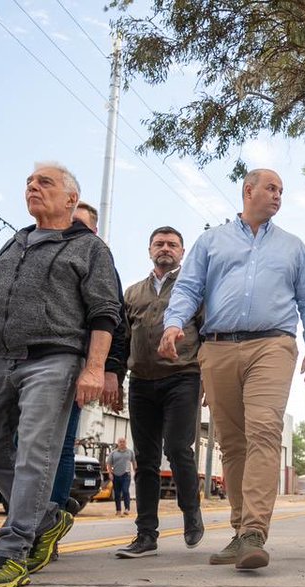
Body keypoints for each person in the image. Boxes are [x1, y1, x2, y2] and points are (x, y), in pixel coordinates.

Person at [159, 168, 305, 571]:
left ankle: (254, 532)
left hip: (273, 344)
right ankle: (239, 532)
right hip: (218, 349)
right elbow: (188, 287)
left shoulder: (292, 247)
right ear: (248, 191)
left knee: (265, 432)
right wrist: (173, 322)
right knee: (233, 445)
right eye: (271, 188)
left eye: (282, 191)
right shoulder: (212, 241)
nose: (278, 196)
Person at [0, 162, 120, 587]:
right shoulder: (15, 242)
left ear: (71, 199)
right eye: (29, 182)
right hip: (0, 359)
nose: (33, 187)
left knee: (36, 453)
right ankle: (49, 517)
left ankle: (12, 550)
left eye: (45, 182)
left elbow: (106, 313)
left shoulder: (89, 248)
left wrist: (94, 368)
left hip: (55, 360)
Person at [115, 226, 207, 558]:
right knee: (147, 460)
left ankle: (190, 510)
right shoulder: (133, 293)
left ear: (182, 253)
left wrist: (207, 378)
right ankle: (146, 534)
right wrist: (116, 377)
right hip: (140, 382)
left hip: (183, 377)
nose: (165, 248)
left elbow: (207, 334)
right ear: (149, 250)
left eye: (172, 245)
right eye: (159, 244)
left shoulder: (193, 289)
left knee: (179, 447)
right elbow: (122, 339)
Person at [47, 199, 126, 520]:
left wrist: (110, 370)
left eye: (80, 224)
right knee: (16, 443)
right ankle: (31, 516)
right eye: (68, 222)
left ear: (93, 230)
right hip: (28, 363)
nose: (72, 229)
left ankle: (50, 520)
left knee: (61, 444)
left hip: (73, 362)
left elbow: (114, 320)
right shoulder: (46, 255)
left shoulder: (100, 261)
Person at [108, 437, 137, 516]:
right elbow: (109, 464)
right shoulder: (113, 453)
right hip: (116, 475)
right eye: (120, 442)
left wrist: (136, 471)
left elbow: (134, 462)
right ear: (118, 443)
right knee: (117, 493)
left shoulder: (130, 452)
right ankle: (118, 510)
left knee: (125, 491)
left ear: (126, 442)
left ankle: (127, 508)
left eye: (123, 441)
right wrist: (110, 473)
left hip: (126, 475)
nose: (122, 443)